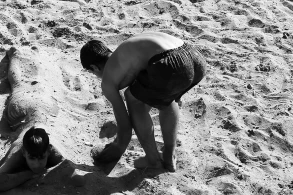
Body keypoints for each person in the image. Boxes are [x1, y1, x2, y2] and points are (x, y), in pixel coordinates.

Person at [80, 32, 207, 172]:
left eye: (93, 73)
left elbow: (125, 129)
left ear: (94, 67)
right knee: (166, 99)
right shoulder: (127, 55)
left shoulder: (107, 81)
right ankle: (169, 154)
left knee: (132, 99)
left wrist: (116, 148)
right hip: (195, 57)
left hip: (169, 63)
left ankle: (153, 161)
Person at [0, 126, 65, 192]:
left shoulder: (48, 150)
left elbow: (67, 167)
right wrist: (30, 174)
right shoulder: (18, 154)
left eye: (41, 158)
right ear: (24, 153)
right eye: (32, 158)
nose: (37, 164)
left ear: (49, 151)